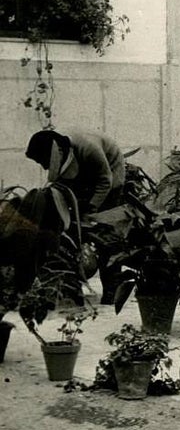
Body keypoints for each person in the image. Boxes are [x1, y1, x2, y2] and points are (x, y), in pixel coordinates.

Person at [24, 129, 126, 303]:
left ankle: (113, 289)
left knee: (106, 234)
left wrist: (91, 208)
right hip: (84, 176)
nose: (45, 167)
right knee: (69, 226)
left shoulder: (90, 149)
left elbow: (105, 181)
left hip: (111, 177)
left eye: (45, 162)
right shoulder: (62, 152)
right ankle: (70, 286)